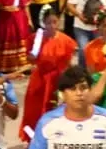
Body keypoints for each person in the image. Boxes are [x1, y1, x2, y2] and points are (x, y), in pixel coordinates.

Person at [20, 7, 77, 136]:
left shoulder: (66, 41)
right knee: (35, 110)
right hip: (40, 79)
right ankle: (35, 137)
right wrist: (32, 57)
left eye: (54, 22)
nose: (52, 26)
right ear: (43, 23)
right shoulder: (35, 38)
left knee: (55, 109)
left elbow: (69, 63)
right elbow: (30, 59)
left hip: (58, 79)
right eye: (48, 22)